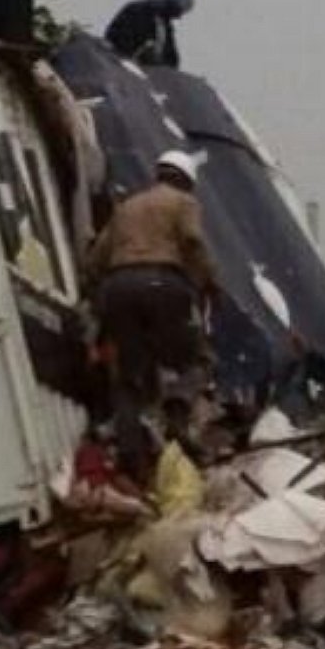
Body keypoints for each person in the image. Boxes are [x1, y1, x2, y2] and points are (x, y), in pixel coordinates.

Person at [87, 149, 217, 476]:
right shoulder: (183, 202)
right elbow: (192, 240)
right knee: (197, 361)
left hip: (116, 288)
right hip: (163, 284)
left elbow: (95, 260)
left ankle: (134, 463)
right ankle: (178, 408)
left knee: (129, 380)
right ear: (186, 181)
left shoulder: (126, 208)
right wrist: (209, 282)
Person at [104, 0, 194, 68]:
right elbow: (119, 38)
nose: (179, 16)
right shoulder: (138, 11)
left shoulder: (165, 26)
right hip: (121, 65)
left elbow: (172, 58)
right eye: (179, 11)